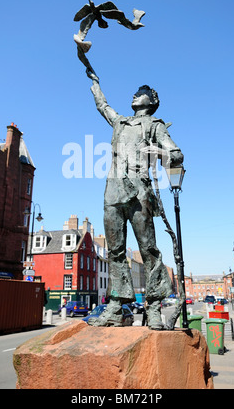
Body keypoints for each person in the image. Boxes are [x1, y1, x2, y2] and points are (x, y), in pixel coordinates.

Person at [86, 71, 184, 330]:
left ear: (150, 101)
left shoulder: (155, 125)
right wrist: (95, 84)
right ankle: (117, 306)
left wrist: (160, 151)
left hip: (140, 192)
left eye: (140, 92)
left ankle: (153, 307)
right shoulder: (120, 122)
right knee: (116, 251)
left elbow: (177, 155)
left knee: (148, 249)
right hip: (113, 191)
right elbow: (102, 107)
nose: (134, 94)